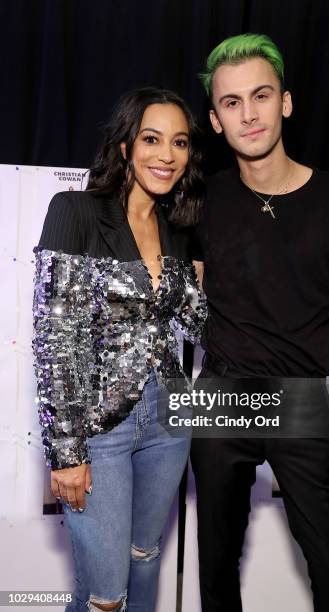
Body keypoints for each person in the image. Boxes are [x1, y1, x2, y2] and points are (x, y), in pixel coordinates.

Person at [190, 34, 329, 612]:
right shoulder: (200, 200)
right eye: (231, 103)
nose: (248, 114)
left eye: (261, 96)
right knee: (217, 570)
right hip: (221, 394)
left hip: (302, 401)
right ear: (216, 120)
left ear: (287, 102)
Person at [32, 87, 206, 612]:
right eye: (152, 139)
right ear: (126, 146)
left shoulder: (178, 230)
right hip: (98, 429)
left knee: (145, 554)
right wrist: (66, 454)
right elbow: (54, 338)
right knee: (106, 594)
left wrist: (205, 279)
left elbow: (197, 325)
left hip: (170, 422)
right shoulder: (75, 211)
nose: (167, 155)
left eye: (178, 143)